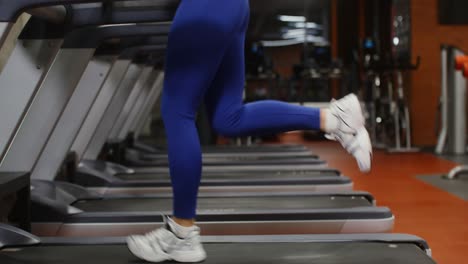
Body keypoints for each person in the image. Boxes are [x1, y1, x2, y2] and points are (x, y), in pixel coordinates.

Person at [127, 0, 372, 262]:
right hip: (233, 7)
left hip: (204, 8)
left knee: (178, 111)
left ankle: (181, 233)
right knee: (228, 117)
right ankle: (334, 119)